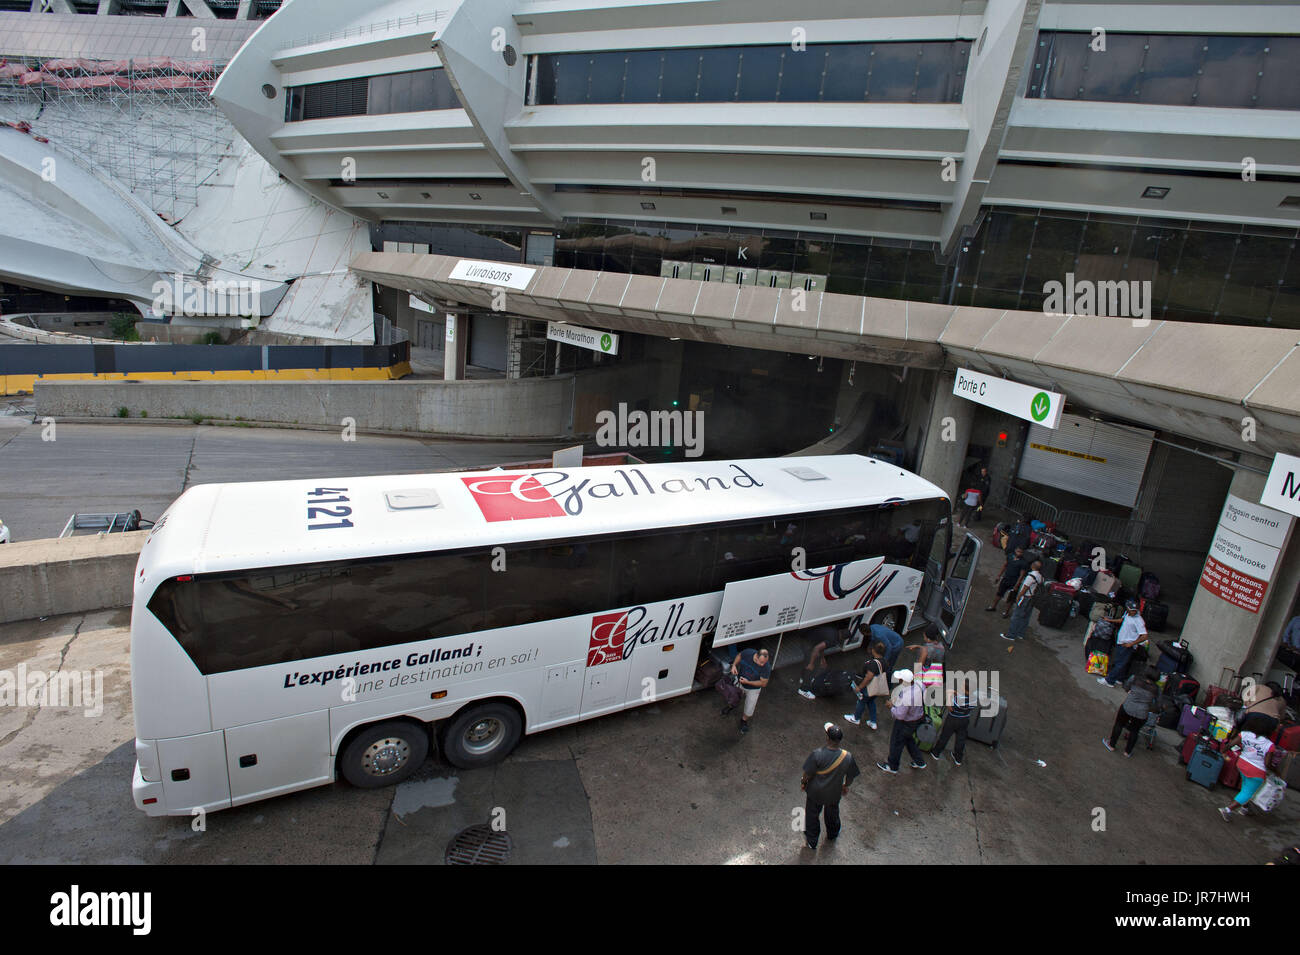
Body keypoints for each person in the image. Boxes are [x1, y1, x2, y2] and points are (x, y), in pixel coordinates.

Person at [800, 722, 860, 850]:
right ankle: (833, 833)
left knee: (812, 814)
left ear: (827, 738)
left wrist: (803, 783)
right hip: (834, 792)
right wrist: (845, 786)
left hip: (815, 792)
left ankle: (812, 840)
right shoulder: (847, 757)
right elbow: (850, 776)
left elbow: (807, 773)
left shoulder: (817, 754)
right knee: (832, 813)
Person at [1218, 714, 1280, 821]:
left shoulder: (1245, 734)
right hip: (1257, 772)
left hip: (1241, 764)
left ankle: (1244, 808)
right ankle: (1227, 810)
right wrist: (1276, 771)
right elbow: (1267, 764)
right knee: (1248, 792)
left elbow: (1230, 744)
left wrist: (1223, 752)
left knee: (1246, 785)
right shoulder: (1269, 745)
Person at [876, 669, 927, 774]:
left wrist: (891, 707)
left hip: (906, 723)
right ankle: (919, 761)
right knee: (908, 739)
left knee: (896, 743)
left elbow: (899, 715)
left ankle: (892, 766)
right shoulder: (920, 685)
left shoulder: (907, 696)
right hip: (918, 718)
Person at [1101, 665, 1160, 757]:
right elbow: (1158, 703)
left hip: (1127, 707)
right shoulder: (1156, 689)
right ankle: (1127, 752)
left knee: (1119, 724)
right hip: (1142, 713)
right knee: (1135, 731)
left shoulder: (1135, 678)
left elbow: (1126, 687)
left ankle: (1111, 744)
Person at [1097, 601, 1149, 687]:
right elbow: (1122, 620)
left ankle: (1109, 681)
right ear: (1127, 609)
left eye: (1135, 610)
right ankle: (1120, 678)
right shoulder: (1127, 614)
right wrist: (1109, 620)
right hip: (1121, 642)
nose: (1133, 612)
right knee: (1122, 662)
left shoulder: (1139, 621)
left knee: (1119, 663)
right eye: (1131, 610)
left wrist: (1131, 644)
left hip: (1127, 645)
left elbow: (1144, 636)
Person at [930, 671, 975, 765]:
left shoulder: (958, 699)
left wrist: (949, 696)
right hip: (965, 720)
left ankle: (936, 752)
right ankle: (958, 758)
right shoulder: (973, 698)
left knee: (945, 736)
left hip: (953, 720)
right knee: (960, 739)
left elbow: (950, 708)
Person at [797, 624, 847, 700]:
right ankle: (803, 689)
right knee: (811, 667)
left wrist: (822, 658)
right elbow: (817, 648)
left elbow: (822, 646)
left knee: (809, 662)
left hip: (807, 640)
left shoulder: (833, 630)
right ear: (842, 638)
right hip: (809, 645)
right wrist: (811, 663)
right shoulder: (834, 640)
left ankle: (803, 678)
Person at [845, 641, 887, 730]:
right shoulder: (884, 661)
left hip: (869, 687)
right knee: (871, 702)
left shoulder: (873, 663)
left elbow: (869, 677)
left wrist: (859, 687)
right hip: (877, 688)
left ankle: (856, 718)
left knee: (862, 701)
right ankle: (873, 721)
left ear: (874, 650)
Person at [729, 646, 771, 735]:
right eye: (761, 662)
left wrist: (749, 682)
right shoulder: (748, 653)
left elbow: (763, 683)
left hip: (753, 689)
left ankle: (744, 721)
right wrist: (734, 665)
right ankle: (731, 706)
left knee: (749, 707)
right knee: (733, 696)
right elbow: (739, 656)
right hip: (739, 682)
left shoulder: (766, 667)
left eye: (765, 662)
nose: (763, 664)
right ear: (756, 656)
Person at [1001, 558, 1044, 642]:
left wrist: (1018, 598)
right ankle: (1020, 633)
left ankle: (1011, 634)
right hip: (1032, 598)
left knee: (1016, 616)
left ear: (1032, 566)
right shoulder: (1040, 577)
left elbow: (1024, 588)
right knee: (1026, 616)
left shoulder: (1030, 576)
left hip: (1025, 598)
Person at [986, 545, 1029, 617]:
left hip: (1014, 582)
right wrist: (999, 576)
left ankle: (1006, 612)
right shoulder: (1010, 556)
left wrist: (1017, 585)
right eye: (1018, 551)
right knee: (999, 593)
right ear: (1015, 550)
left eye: (1021, 552)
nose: (1019, 553)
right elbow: (1004, 565)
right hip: (1005, 579)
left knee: (1011, 598)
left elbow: (1022, 575)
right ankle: (993, 606)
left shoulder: (1023, 563)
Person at [907, 622, 945, 697]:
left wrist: (910, 678)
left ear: (928, 638)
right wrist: (918, 646)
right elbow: (932, 649)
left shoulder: (925, 650)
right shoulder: (941, 647)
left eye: (924, 636)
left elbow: (918, 667)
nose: (923, 638)